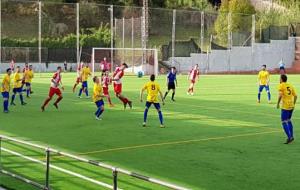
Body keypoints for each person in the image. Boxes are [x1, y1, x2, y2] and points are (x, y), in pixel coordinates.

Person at [277, 75, 297, 144]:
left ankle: (289, 138)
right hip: (291, 106)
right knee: (288, 120)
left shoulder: (281, 85)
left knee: (283, 122)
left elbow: (280, 95)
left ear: (282, 79)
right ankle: (292, 136)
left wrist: (277, 103)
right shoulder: (290, 85)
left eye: (280, 78)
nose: (279, 79)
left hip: (285, 106)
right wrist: (293, 104)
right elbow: (296, 96)